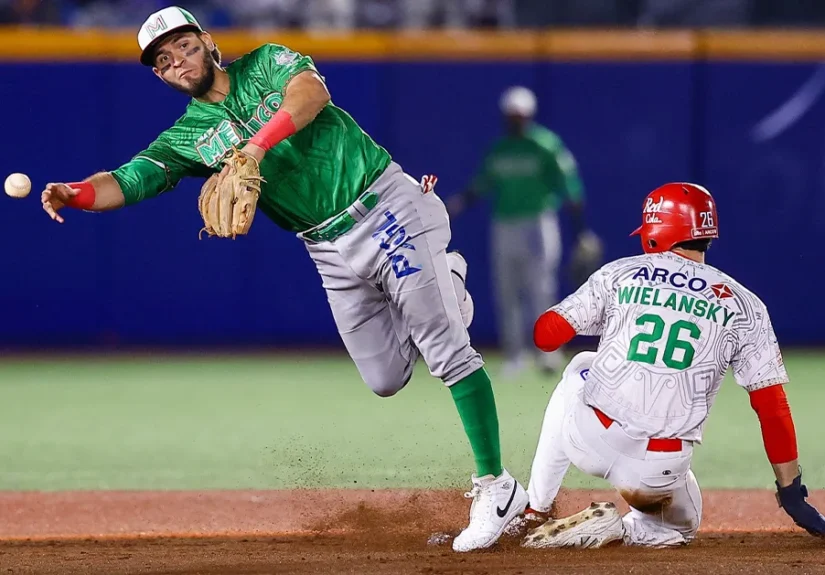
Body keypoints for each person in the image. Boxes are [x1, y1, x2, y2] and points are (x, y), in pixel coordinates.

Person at [39, 5, 527, 552]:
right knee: (386, 378)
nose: (178, 60)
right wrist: (75, 194)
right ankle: (445, 281)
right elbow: (131, 179)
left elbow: (310, 95)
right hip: (326, 246)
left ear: (207, 41)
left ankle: (496, 485)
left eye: (184, 46)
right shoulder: (188, 136)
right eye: (164, 59)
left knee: (446, 351)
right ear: (159, 74)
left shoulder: (268, 62)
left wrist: (255, 144)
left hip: (384, 207)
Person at [518, 182, 825, 548]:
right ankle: (619, 528)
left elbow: (545, 337)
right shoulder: (746, 305)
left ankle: (536, 509)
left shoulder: (621, 273)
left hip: (590, 437)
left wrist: (576, 296)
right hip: (655, 472)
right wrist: (791, 494)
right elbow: (772, 407)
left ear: (655, 232)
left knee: (581, 367)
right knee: (680, 526)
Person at [448, 85, 597, 378]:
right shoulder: (499, 148)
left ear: (529, 115)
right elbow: (482, 184)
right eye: (512, 115)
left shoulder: (545, 144)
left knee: (540, 287)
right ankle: (514, 356)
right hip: (505, 223)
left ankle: (548, 353)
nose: (516, 120)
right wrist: (457, 204)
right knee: (508, 289)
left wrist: (580, 228)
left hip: (538, 221)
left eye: (520, 115)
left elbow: (571, 186)